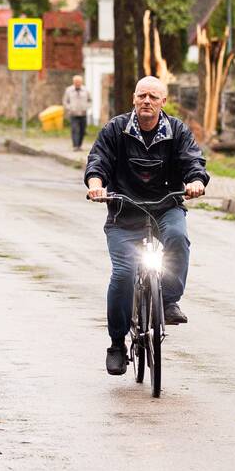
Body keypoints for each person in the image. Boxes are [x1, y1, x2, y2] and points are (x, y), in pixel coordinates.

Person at [84, 76, 208, 376]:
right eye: (142, 96)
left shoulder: (177, 131)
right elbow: (97, 161)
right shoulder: (115, 130)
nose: (147, 101)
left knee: (178, 237)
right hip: (124, 214)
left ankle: (168, 300)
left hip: (165, 208)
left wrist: (195, 182)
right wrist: (96, 185)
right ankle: (116, 343)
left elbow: (193, 162)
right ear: (134, 99)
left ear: (163, 101)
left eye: (154, 96)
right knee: (125, 273)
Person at [63, 75, 90, 151]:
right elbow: (65, 101)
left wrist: (86, 107)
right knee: (75, 129)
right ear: (73, 82)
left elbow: (90, 100)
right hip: (73, 114)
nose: (77, 83)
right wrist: (70, 108)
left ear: (81, 82)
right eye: (76, 82)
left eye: (79, 82)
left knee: (82, 130)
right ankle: (75, 146)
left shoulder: (86, 90)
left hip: (83, 113)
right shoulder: (69, 90)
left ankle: (79, 145)